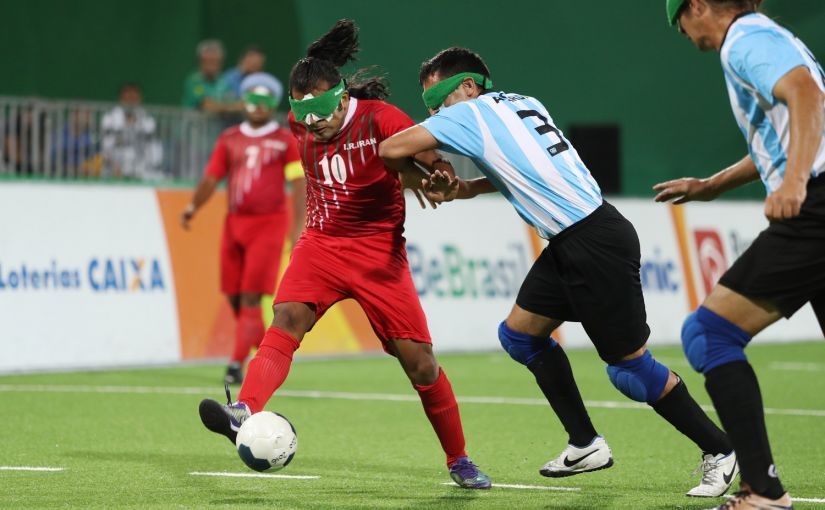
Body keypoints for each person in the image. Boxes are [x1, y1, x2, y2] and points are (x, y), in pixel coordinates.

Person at [379, 46, 738, 497]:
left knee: (630, 369)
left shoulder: (469, 113)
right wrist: (468, 187)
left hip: (593, 245)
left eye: (438, 99)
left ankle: (721, 449)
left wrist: (429, 174)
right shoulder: (523, 103)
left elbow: (390, 148)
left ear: (468, 86)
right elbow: (529, 167)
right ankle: (585, 443)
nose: (435, 113)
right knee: (520, 335)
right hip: (575, 240)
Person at [197, 20, 492, 489]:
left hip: (378, 254)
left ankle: (459, 459)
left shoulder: (380, 118)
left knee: (420, 363)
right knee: (287, 319)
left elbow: (426, 155)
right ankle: (244, 410)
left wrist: (436, 174)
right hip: (321, 244)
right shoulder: (301, 121)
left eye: (320, 112)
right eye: (304, 115)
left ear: (341, 98)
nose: (313, 124)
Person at [653, 0, 825, 508]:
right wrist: (711, 186)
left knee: (709, 334)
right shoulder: (770, 36)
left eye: (679, 22)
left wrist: (794, 181)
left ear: (698, 6)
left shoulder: (744, 39)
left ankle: (762, 491)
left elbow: (806, 95)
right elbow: (778, 137)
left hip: (815, 207)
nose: (683, 34)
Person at [182, 72, 306, 385]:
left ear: (272, 104)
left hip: (268, 224)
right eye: (253, 99)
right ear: (244, 102)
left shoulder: (284, 140)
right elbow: (212, 177)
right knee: (234, 297)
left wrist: (297, 227)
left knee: (251, 298)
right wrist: (193, 206)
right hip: (234, 223)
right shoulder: (229, 138)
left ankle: (235, 365)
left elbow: (299, 185)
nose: (258, 106)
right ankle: (268, 355)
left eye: (264, 101)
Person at [101, 82, 163, 180]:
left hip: (142, 168)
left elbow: (154, 148)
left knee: (160, 177)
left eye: (134, 99)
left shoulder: (148, 121)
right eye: (127, 99)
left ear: (139, 99)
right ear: (120, 99)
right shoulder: (109, 118)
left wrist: (148, 165)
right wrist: (113, 166)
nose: (130, 102)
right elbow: (106, 146)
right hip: (115, 169)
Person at [182, 39, 237, 114]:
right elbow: (207, 106)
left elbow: (235, 103)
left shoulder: (224, 81)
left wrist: (229, 107)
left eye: (215, 61)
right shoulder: (194, 81)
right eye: (208, 61)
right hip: (193, 121)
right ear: (200, 61)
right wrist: (229, 107)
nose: (211, 65)